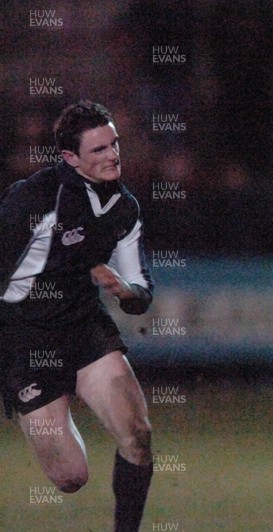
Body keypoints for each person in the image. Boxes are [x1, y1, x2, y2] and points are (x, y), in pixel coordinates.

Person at [0, 101, 154, 531]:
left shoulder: (125, 208)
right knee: (71, 477)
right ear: (69, 158)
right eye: (99, 149)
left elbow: (140, 287)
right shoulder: (33, 199)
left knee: (137, 436)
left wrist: (128, 292)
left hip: (85, 329)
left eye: (115, 144)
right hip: (25, 341)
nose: (112, 155)